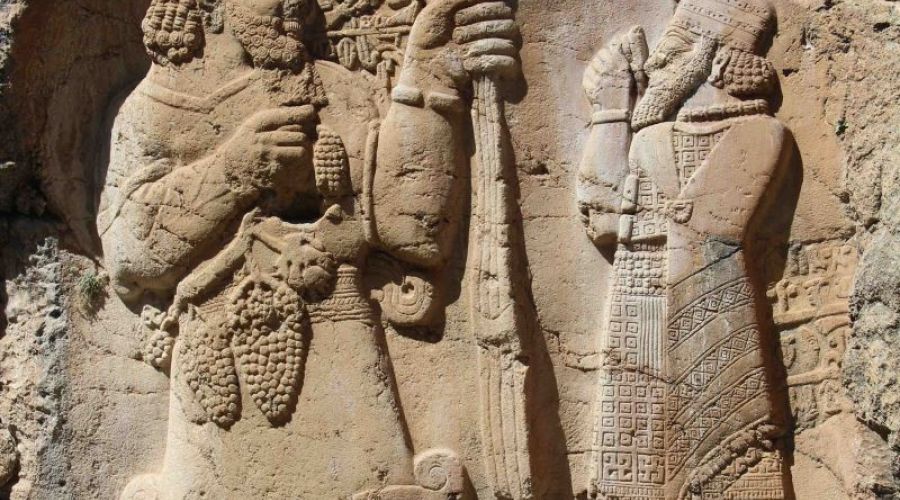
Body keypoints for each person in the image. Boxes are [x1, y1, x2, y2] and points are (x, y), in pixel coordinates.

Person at [98, 0, 519, 497]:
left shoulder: (335, 90)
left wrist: (430, 76)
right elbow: (130, 255)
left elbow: (414, 231)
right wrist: (233, 171)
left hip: (346, 380)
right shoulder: (153, 109)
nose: (294, 5)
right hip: (223, 386)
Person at [578, 0, 793, 498]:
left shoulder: (762, 133)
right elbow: (602, 219)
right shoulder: (651, 138)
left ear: (713, 59)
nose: (655, 61)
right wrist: (610, 110)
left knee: (729, 470)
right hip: (640, 315)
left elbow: (709, 227)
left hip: (712, 315)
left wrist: (638, 126)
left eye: (673, 49)